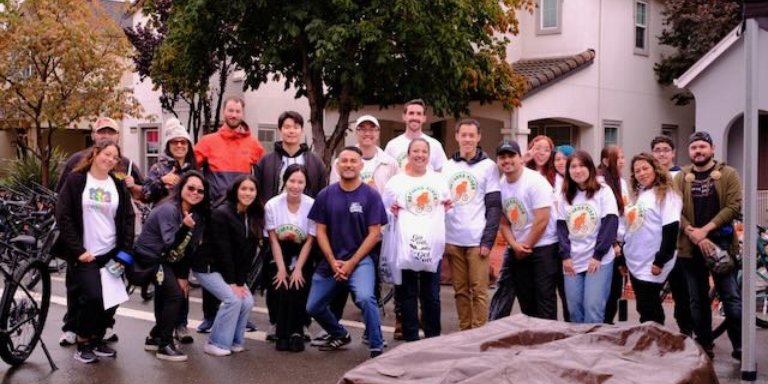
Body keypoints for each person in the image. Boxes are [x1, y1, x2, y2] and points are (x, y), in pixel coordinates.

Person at [57, 117, 143, 347]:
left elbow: (137, 202)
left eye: (110, 132)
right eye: (101, 132)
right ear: (94, 141)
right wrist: (77, 248)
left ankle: (100, 332)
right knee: (83, 292)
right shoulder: (76, 169)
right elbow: (63, 207)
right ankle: (75, 330)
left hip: (111, 249)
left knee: (110, 294)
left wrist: (134, 186)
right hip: (83, 249)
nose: (110, 159)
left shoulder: (122, 172)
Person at [306, 146, 387, 359]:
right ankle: (339, 333)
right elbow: (320, 231)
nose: (348, 165)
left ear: (360, 165)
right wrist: (332, 260)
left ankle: (376, 345)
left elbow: (374, 234)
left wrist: (351, 263)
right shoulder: (325, 195)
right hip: (331, 261)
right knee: (313, 306)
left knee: (366, 298)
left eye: (353, 161)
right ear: (337, 165)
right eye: (344, 161)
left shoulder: (371, 195)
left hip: (360, 261)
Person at [195, 96, 264, 333]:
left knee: (241, 260)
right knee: (214, 262)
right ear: (224, 112)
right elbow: (191, 170)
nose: (234, 114)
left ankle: (241, 311)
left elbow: (260, 176)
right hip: (215, 213)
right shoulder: (208, 141)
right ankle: (210, 316)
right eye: (230, 110)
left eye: (238, 111)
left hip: (242, 213)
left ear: (242, 114)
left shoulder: (253, 144)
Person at [255, 111, 326, 341]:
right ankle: (276, 322)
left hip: (305, 231)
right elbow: (258, 194)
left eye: (296, 126)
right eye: (286, 126)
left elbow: (321, 193)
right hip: (275, 229)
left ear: (302, 130)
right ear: (280, 130)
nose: (291, 131)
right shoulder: (267, 161)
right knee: (275, 278)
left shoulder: (314, 161)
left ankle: (301, 323)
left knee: (302, 278)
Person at [675, 131, 742, 360]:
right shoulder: (681, 177)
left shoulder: (728, 174)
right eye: (694, 147)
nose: (698, 151)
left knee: (731, 298)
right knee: (698, 300)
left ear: (712, 149)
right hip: (690, 244)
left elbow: (733, 207)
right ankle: (705, 345)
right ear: (689, 151)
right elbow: (674, 209)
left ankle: (740, 346)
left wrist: (705, 230)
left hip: (722, 244)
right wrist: (694, 233)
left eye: (703, 146)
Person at [135, 171, 210, 361]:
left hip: (167, 259)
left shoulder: (197, 214)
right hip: (151, 258)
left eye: (200, 191)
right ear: (181, 187)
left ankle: (154, 337)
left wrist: (183, 276)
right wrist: (185, 227)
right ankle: (165, 345)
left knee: (173, 294)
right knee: (175, 295)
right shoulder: (169, 209)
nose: (195, 193)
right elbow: (171, 244)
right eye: (191, 188)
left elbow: (188, 249)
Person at [383, 138, 451, 341]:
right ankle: (411, 338)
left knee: (431, 295)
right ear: (408, 154)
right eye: (416, 151)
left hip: (431, 247)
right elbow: (384, 209)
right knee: (407, 294)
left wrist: (447, 209)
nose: (420, 155)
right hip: (406, 246)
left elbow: (448, 208)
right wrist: (391, 211)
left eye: (424, 151)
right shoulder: (396, 182)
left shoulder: (438, 180)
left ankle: (433, 339)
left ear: (429, 155)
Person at [192, 175, 263, 356]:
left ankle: (235, 342)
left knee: (247, 301)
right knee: (233, 299)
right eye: (243, 189)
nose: (248, 193)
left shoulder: (252, 215)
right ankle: (215, 343)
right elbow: (223, 251)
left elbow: (247, 254)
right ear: (235, 190)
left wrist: (240, 281)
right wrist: (233, 283)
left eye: (252, 189)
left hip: (229, 268)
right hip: (208, 266)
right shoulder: (222, 213)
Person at [141, 119, 197, 344]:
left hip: (186, 228)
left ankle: (181, 325)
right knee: (163, 283)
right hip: (162, 232)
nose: (180, 145)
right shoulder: (158, 167)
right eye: (175, 142)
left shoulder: (193, 168)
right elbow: (145, 194)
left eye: (184, 142)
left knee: (182, 279)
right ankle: (161, 327)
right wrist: (161, 181)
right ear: (168, 145)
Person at [441, 119, 500, 330]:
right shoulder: (447, 167)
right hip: (453, 239)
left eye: (471, 135)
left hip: (477, 240)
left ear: (478, 137)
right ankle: (465, 331)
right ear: (457, 137)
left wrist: (488, 240)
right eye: (463, 135)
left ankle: (479, 333)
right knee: (460, 291)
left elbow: (494, 206)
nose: (467, 139)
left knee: (479, 290)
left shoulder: (489, 167)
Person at [495, 140, 559, 320]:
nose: (507, 160)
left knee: (545, 299)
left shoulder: (535, 182)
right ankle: (532, 336)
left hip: (544, 247)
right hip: (518, 249)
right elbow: (504, 222)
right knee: (526, 300)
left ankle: (549, 336)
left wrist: (526, 246)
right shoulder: (501, 184)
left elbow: (542, 220)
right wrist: (514, 246)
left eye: (511, 156)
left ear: (520, 158)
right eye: (502, 157)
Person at [556, 150, 619, 323]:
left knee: (593, 308)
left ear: (590, 168)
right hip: (572, 261)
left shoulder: (603, 191)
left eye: (582, 165)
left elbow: (610, 224)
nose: (578, 170)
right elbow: (561, 228)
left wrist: (598, 255)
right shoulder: (565, 195)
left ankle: (594, 341)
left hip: (598, 260)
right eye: (573, 166)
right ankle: (579, 342)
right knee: (574, 310)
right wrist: (566, 256)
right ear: (568, 171)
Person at [623, 153, 682, 325]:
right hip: (635, 260)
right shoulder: (640, 194)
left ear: (655, 169)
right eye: (637, 171)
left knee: (650, 310)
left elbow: (671, 229)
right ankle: (649, 338)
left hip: (653, 262)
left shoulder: (667, 194)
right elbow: (632, 227)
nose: (641, 173)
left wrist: (660, 260)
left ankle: (656, 339)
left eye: (645, 168)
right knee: (643, 308)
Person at [265, 165, 317, 352]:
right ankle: (281, 331)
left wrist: (298, 269)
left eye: (300, 182)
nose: (296, 186)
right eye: (292, 181)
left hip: (303, 251)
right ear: (284, 181)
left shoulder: (312, 204)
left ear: (306, 184)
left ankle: (297, 331)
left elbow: (310, 240)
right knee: (280, 284)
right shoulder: (272, 205)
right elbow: (273, 239)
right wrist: (281, 269)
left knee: (298, 284)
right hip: (279, 251)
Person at [651, 135, 692, 336]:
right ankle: (655, 333)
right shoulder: (648, 178)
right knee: (651, 294)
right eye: (657, 150)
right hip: (655, 244)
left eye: (666, 149)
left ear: (673, 152)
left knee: (682, 293)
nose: (662, 153)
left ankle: (686, 332)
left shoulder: (682, 176)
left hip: (679, 244)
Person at [597, 145, 629, 324]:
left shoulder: (621, 182)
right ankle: (601, 324)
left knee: (616, 290)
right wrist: (614, 242)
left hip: (622, 242)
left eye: (623, 157)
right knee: (606, 289)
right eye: (619, 158)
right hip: (608, 244)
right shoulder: (600, 183)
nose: (622, 161)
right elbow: (602, 217)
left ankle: (608, 323)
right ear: (606, 161)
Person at [384, 99, 448, 172]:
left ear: (424, 118)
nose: (415, 117)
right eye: (411, 113)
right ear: (404, 116)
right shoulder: (392, 146)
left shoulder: (435, 145)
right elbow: (386, 173)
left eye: (419, 114)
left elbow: (442, 173)